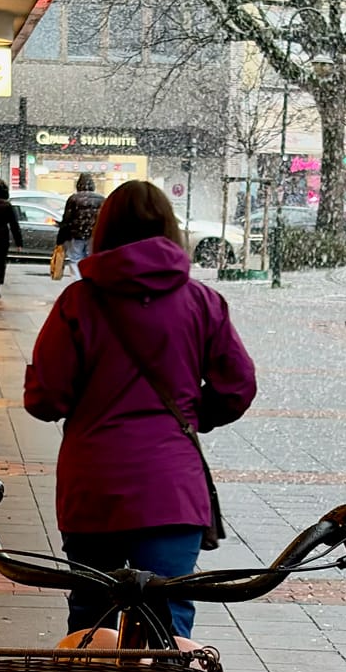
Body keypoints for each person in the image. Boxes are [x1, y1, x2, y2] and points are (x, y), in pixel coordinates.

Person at [23, 177, 256, 640]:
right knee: (168, 620)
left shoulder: (79, 302)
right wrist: (189, 417)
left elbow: (46, 399)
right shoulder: (202, 302)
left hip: (94, 485)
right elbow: (238, 386)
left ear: (105, 230)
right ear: (170, 228)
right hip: (171, 487)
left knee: (92, 615)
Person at [56, 173, 97, 279]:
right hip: (93, 235)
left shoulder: (74, 199)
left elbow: (67, 219)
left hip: (76, 234)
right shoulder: (101, 199)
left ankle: (77, 281)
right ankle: (89, 279)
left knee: (75, 258)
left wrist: (60, 239)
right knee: (90, 258)